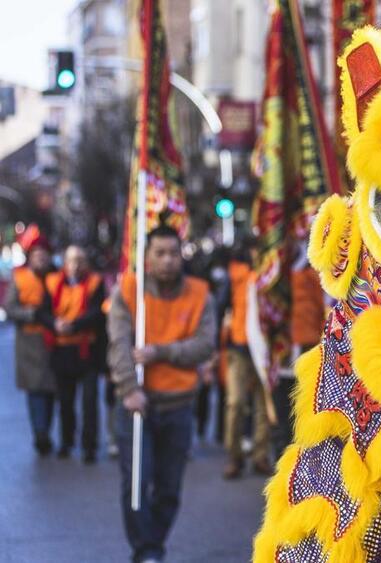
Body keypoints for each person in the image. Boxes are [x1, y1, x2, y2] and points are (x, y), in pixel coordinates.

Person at [107, 226, 216, 563]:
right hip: (136, 404)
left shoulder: (200, 294)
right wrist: (128, 388)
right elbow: (119, 344)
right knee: (136, 483)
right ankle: (147, 550)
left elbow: (204, 345)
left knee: (169, 488)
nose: (168, 260)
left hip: (179, 405)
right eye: (160, 253)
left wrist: (161, 352)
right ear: (147, 257)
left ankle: (151, 544)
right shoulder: (128, 290)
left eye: (173, 253)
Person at [38, 244, 105, 463]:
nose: (75, 266)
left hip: (87, 350)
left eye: (80, 260)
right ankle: (66, 441)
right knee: (65, 401)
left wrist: (74, 325)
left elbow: (98, 314)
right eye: (71, 260)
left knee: (89, 401)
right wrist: (55, 324)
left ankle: (89, 446)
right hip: (62, 351)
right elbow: (43, 312)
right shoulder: (52, 282)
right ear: (64, 263)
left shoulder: (95, 283)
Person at [3, 228, 57, 455]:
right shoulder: (20, 277)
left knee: (51, 390)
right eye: (37, 256)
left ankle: (45, 428)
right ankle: (40, 432)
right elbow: (10, 307)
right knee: (35, 390)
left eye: (44, 256)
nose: (41, 260)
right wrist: (30, 314)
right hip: (29, 342)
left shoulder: (56, 278)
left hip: (53, 342)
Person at [222, 245, 270, 479]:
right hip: (239, 347)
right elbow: (222, 306)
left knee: (263, 405)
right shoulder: (235, 277)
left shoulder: (272, 274)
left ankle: (260, 455)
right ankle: (235, 456)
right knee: (236, 403)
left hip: (264, 348)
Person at [272, 250, 325, 459]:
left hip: (308, 349)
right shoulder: (277, 270)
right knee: (283, 408)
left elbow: (324, 308)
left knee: (301, 409)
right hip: (282, 350)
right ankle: (283, 456)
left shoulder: (315, 270)